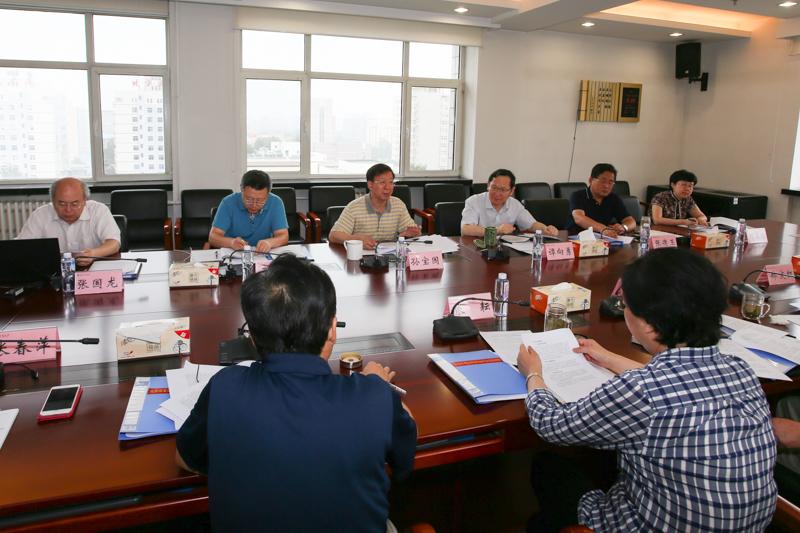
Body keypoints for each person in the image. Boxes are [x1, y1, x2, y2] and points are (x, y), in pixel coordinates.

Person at [517, 247, 777, 533]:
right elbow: (679, 385)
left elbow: (551, 425)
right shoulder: (740, 370)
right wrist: (610, 359)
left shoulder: (643, 391)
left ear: (649, 325)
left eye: (626, 305)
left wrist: (534, 374)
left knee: (548, 466)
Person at [175, 254, 417, 533]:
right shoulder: (372, 398)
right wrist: (378, 386)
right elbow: (405, 453)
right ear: (332, 330)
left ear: (252, 337)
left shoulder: (224, 387)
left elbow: (184, 458)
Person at [16, 177, 120, 266]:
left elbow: (114, 243)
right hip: (54, 272)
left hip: (92, 270)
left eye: (74, 204)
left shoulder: (98, 210)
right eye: (62, 204)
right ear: (53, 200)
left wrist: (93, 254)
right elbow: (22, 247)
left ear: (85, 201)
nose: (68, 210)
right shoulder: (40, 215)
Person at [329, 164, 421, 250]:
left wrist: (415, 233)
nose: (387, 187)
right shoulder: (354, 207)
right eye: (382, 182)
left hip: (389, 255)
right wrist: (358, 239)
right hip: (360, 256)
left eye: (390, 182)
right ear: (370, 185)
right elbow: (333, 236)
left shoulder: (398, 205)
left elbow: (410, 232)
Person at [461, 169, 558, 237]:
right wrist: (495, 230)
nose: (497, 193)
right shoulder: (474, 202)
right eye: (494, 187)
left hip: (503, 249)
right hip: (476, 247)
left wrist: (545, 229)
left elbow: (531, 225)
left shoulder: (515, 204)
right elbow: (465, 229)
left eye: (503, 190)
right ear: (488, 185)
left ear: (512, 191)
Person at [209, 170, 289, 253]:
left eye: (260, 201)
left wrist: (270, 242)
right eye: (249, 200)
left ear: (268, 194)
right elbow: (213, 237)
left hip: (262, 255)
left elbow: (283, 236)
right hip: (234, 254)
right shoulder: (228, 203)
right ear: (242, 191)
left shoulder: (275, 202)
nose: (254, 205)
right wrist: (231, 243)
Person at [564, 163, 637, 238]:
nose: (606, 186)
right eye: (603, 181)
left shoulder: (613, 198)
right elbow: (579, 218)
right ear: (591, 180)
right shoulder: (578, 195)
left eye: (610, 182)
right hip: (575, 237)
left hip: (600, 239)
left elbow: (631, 221)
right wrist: (603, 228)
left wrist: (623, 227)